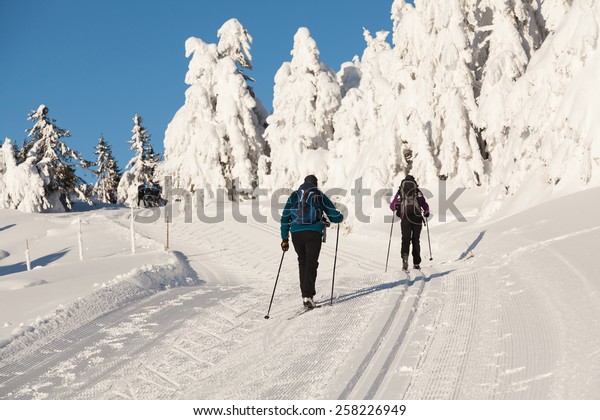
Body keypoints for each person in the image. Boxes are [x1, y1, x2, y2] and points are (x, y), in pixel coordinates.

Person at [281, 175, 344, 309]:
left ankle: (305, 295)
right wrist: (340, 216)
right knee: (311, 262)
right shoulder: (318, 195)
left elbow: (285, 217)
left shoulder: (294, 195)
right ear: (315, 184)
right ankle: (308, 295)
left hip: (296, 234)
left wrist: (284, 239)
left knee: (302, 261)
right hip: (313, 233)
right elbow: (334, 216)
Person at [389, 175, 430, 271]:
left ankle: (405, 260)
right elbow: (424, 204)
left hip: (405, 218)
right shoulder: (417, 191)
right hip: (417, 218)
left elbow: (392, 207)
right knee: (416, 240)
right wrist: (426, 212)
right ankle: (416, 263)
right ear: (414, 182)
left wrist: (398, 206)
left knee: (405, 239)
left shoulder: (401, 191)